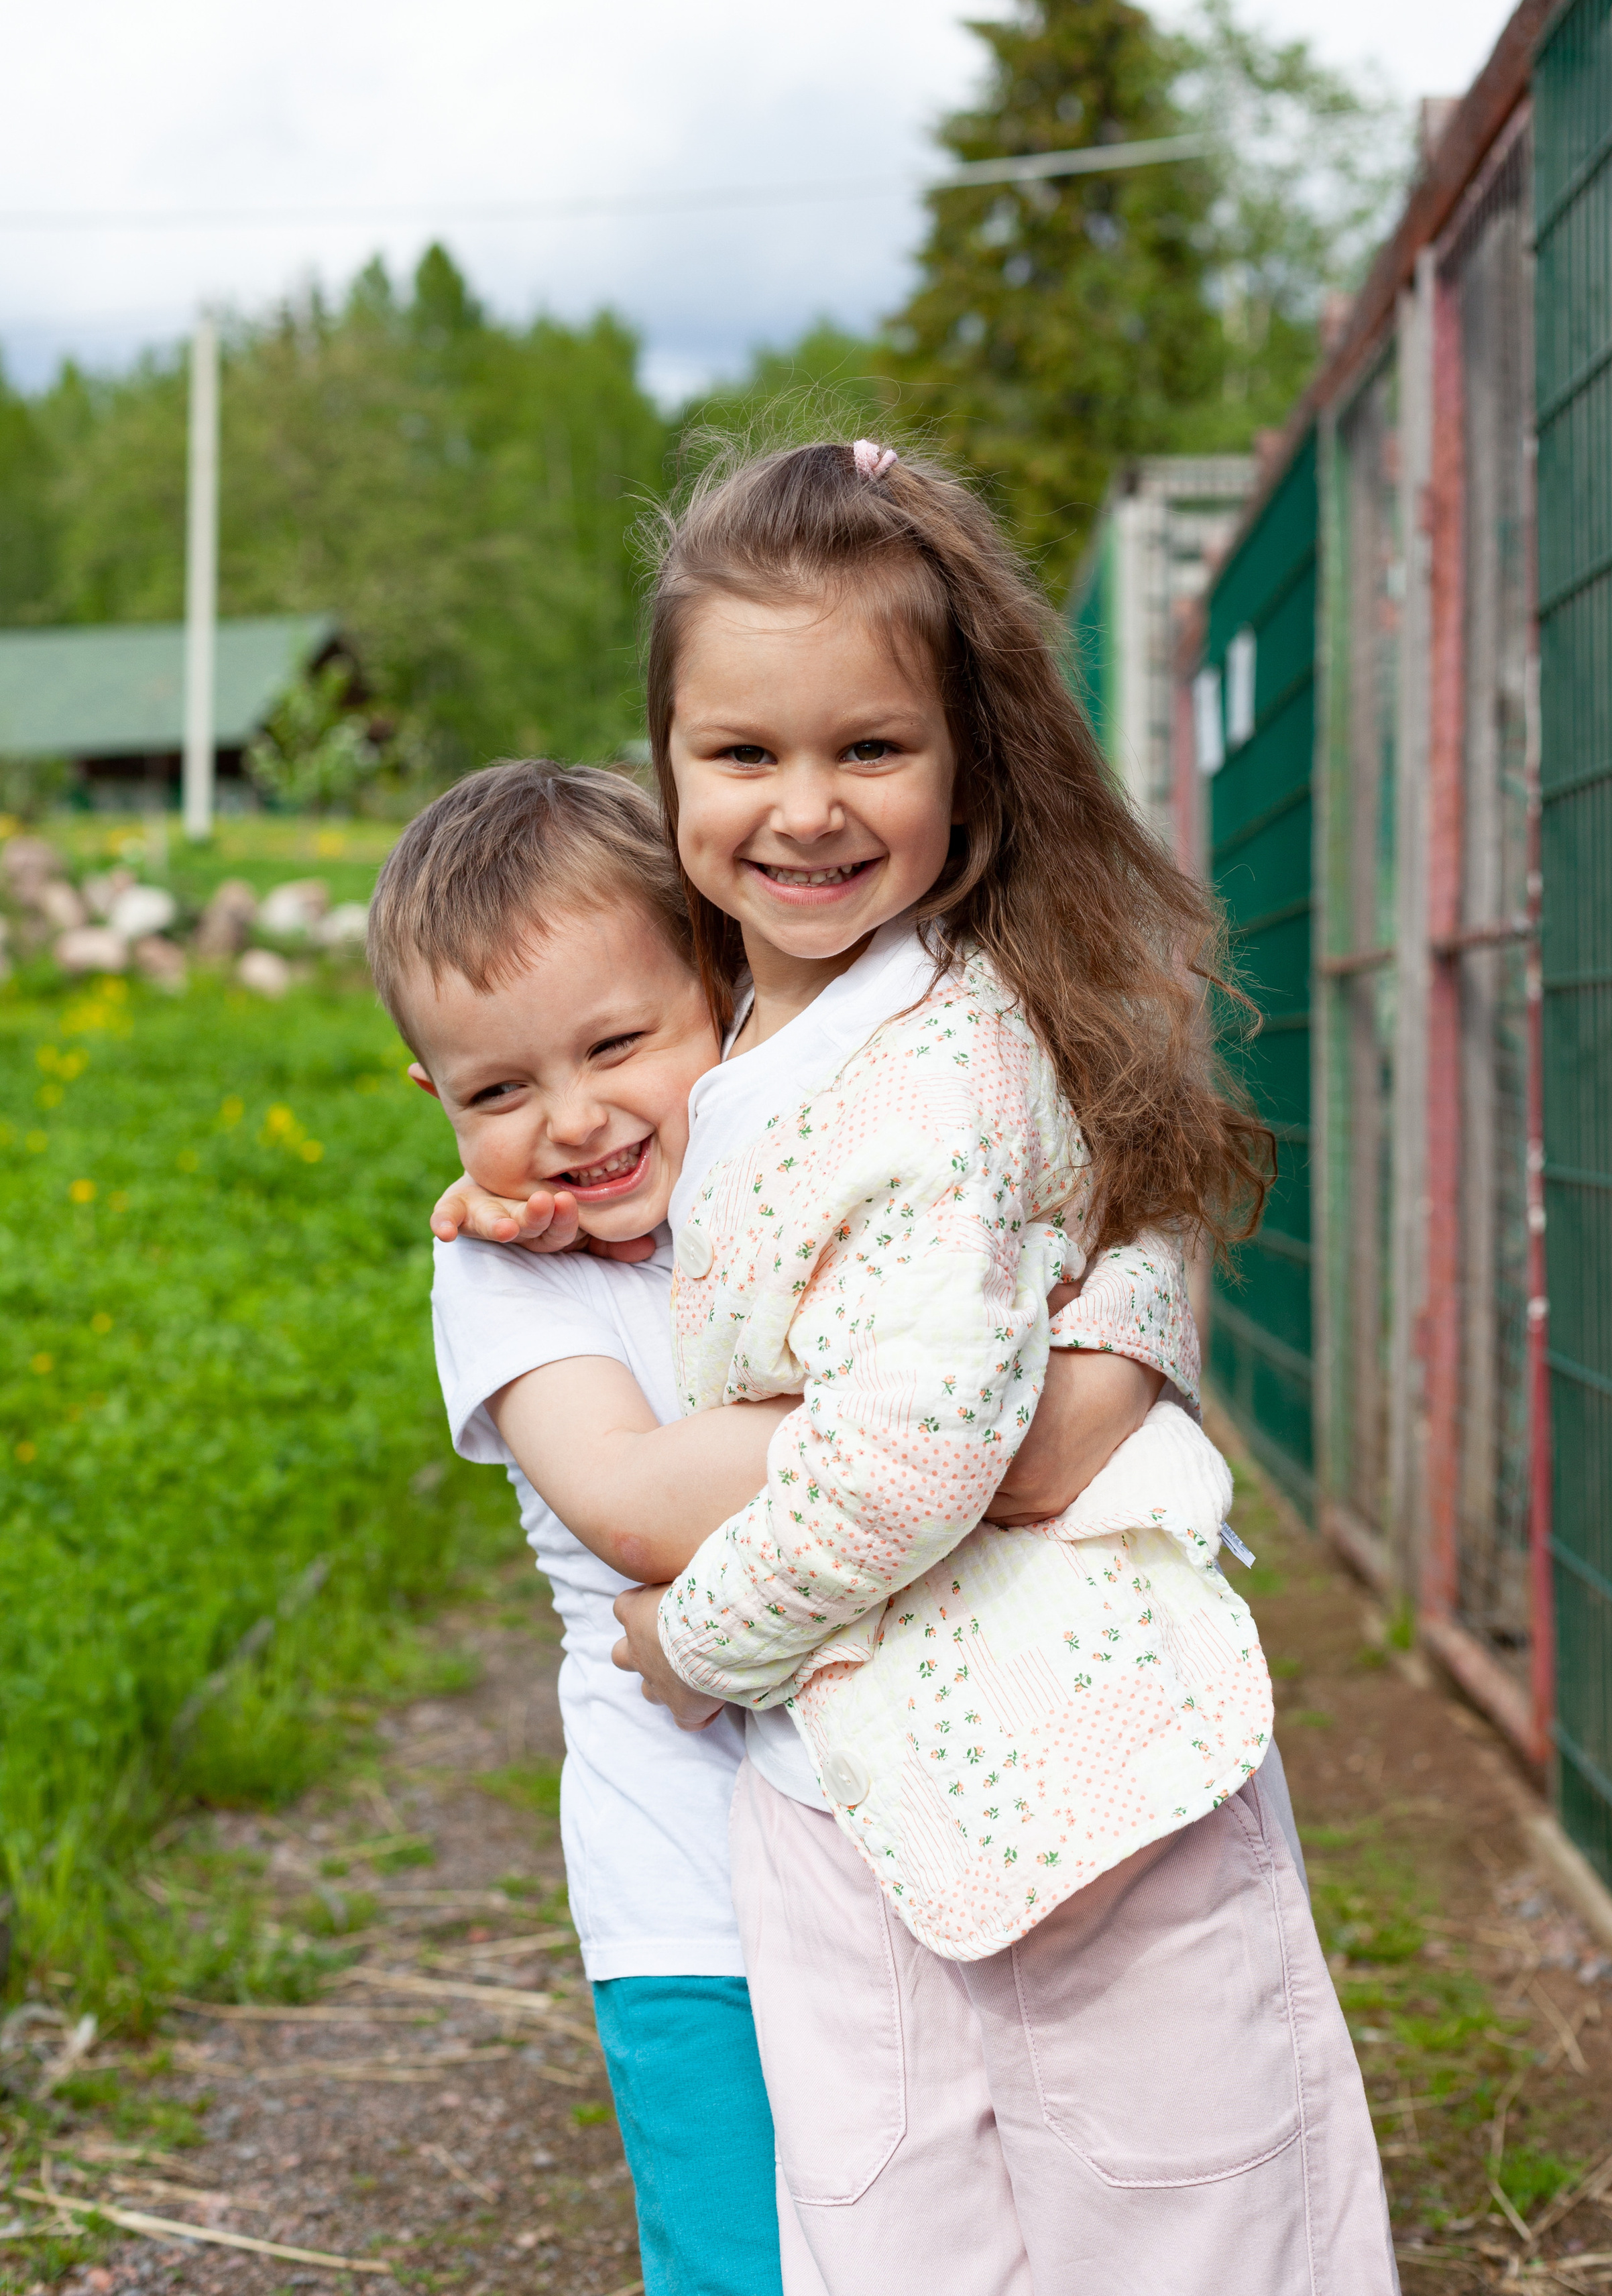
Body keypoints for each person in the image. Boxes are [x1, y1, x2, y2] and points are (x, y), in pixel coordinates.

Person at [597, 437, 1397, 2295]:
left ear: (971, 760)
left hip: (1063, 1759)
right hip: (855, 1778)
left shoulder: (945, 1057)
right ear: (669, 763)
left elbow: (911, 1458)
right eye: (743, 754)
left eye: (871, 748)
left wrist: (699, 1641)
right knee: (906, 2224)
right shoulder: (731, 1011)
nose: (806, 809)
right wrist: (516, 1194)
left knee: (1189, 2216)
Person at [366, 760, 1192, 2296]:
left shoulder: (811, 1171)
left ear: (723, 986)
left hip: (906, 1823)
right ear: (436, 1099)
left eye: (617, 1044)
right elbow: (631, 1507)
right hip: (688, 1885)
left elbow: (1087, 1246)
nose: (572, 1120)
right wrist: (937, 1393)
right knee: (740, 2253)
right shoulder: (499, 1276)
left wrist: (1000, 1375)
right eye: (498, 1094)